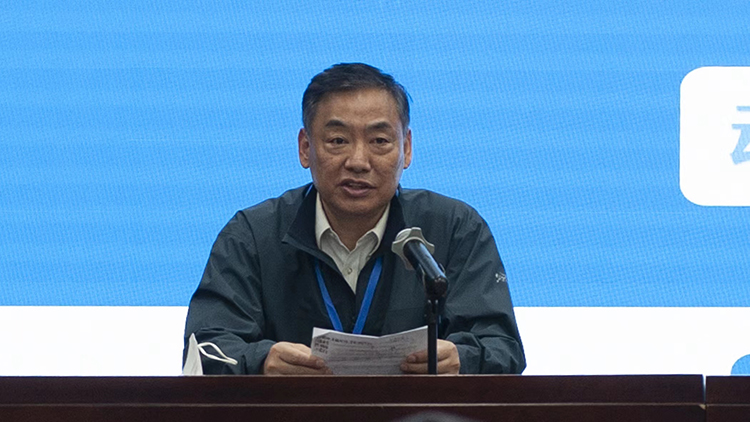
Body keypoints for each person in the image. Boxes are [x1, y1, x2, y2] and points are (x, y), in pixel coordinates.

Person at [183, 63, 525, 375]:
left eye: (379, 141)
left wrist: (462, 359)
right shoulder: (253, 236)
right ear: (305, 148)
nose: (358, 161)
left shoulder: (455, 228)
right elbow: (206, 350)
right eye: (338, 140)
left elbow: (503, 348)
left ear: (406, 148)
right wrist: (260, 362)